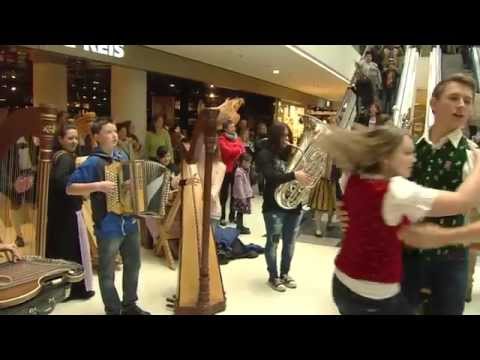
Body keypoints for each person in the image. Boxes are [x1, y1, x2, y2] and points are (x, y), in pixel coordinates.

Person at [319, 126, 480, 315]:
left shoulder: (352, 177)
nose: (414, 158)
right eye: (407, 153)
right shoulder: (397, 191)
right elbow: (462, 202)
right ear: (385, 158)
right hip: (375, 297)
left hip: (342, 284)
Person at [402, 73, 478, 315]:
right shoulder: (407, 150)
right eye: (454, 98)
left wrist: (445, 236)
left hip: (450, 263)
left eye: (468, 100)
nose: (462, 105)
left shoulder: (473, 157)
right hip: (404, 258)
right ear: (434, 104)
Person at [66, 119, 150, 315]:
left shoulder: (122, 155)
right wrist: (98, 186)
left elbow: (128, 182)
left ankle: (130, 304)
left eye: (115, 131)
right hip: (108, 224)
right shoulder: (94, 161)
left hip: (129, 221)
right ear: (96, 137)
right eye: (108, 132)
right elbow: (70, 188)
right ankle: (113, 310)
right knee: (107, 271)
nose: (114, 135)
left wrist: (130, 185)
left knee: (133, 264)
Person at [256, 122, 313, 292]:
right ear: (275, 137)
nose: (287, 140)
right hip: (273, 205)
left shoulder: (291, 155)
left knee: (289, 243)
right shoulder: (264, 154)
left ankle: (285, 273)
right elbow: (271, 176)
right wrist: (294, 174)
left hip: (293, 205)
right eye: (283, 136)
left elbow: (302, 176)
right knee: (273, 242)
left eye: (288, 136)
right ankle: (273, 276)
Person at [46, 122, 95, 301]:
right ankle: (76, 290)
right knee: (72, 251)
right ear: (60, 139)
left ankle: (62, 290)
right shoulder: (66, 158)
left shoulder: (55, 156)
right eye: (70, 138)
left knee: (61, 250)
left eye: (76, 137)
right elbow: (61, 182)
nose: (74, 141)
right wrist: (81, 185)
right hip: (66, 212)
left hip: (57, 212)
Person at [218, 120, 245, 226]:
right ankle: (222, 216)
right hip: (225, 170)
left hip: (235, 169)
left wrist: (235, 150)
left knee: (235, 194)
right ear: (225, 129)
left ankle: (232, 216)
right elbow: (226, 152)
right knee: (223, 195)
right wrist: (236, 149)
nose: (234, 128)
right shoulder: (221, 139)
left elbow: (243, 151)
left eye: (234, 126)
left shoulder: (237, 138)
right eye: (231, 127)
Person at [232, 153, 254, 235]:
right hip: (241, 196)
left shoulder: (245, 171)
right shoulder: (239, 172)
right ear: (241, 162)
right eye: (247, 162)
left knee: (241, 212)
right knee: (240, 212)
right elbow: (239, 186)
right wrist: (242, 197)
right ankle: (239, 226)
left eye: (250, 162)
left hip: (244, 195)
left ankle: (240, 225)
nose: (249, 164)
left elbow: (247, 182)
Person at [254, 122, 269, 195]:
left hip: (267, 159)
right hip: (260, 159)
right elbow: (257, 146)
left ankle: (267, 189)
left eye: (265, 128)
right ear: (259, 130)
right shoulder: (257, 138)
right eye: (262, 128)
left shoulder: (268, 137)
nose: (264, 130)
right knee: (261, 176)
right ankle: (261, 190)